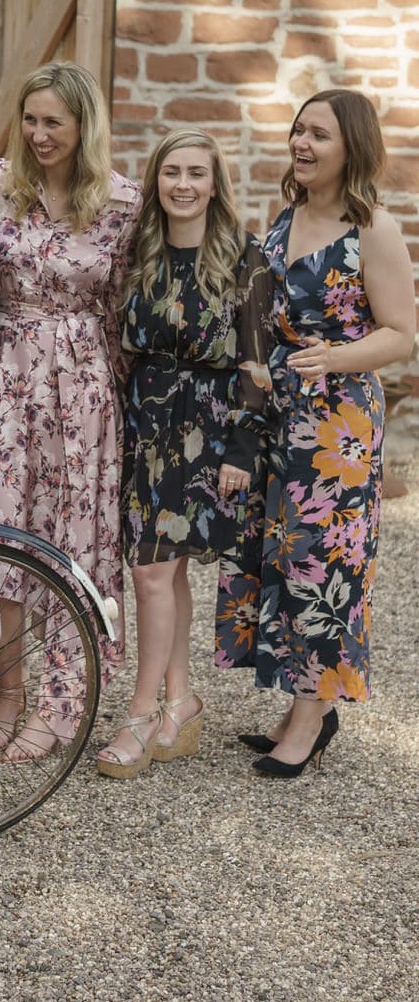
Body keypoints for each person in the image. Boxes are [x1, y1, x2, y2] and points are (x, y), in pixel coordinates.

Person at [216, 90, 414, 778]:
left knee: (322, 565)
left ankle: (311, 715)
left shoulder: (373, 229)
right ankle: (305, 702)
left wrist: (333, 356)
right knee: (278, 554)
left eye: (319, 134)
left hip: (338, 425)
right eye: (298, 129)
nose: (301, 142)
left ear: (350, 147)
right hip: (279, 414)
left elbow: (400, 334)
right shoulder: (286, 215)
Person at [0, 61, 141, 763]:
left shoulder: (123, 202)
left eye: (52, 122)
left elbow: (124, 306)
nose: (38, 134)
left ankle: (62, 699)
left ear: (82, 126)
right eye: (30, 119)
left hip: (85, 387)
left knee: (70, 540)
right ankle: (5, 691)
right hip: (6, 374)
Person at [96, 129, 270, 779]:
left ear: (214, 182)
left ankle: (141, 713)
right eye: (172, 172)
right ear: (156, 179)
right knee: (160, 571)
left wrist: (243, 450)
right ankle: (182, 701)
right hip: (147, 421)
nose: (184, 185)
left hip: (210, 431)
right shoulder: (140, 248)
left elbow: (258, 364)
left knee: (155, 572)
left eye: (197, 172)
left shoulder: (242, 257)